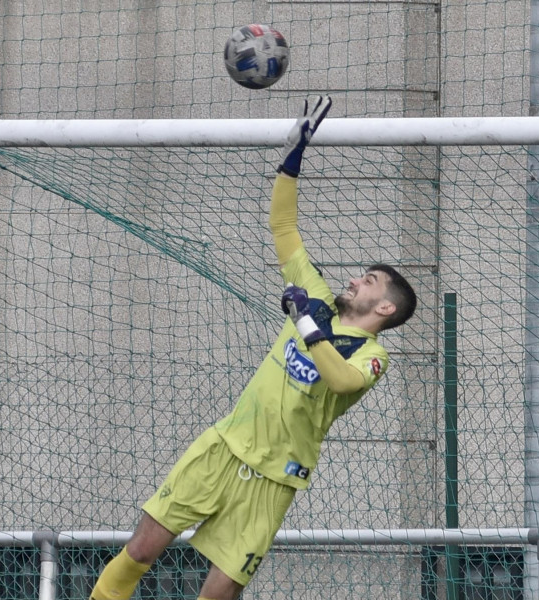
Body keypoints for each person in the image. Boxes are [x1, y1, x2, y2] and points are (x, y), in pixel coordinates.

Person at [88, 95, 418, 600]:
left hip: (275, 478)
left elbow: (342, 380)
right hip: (222, 447)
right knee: (139, 551)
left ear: (385, 309)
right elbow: (284, 227)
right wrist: (292, 162)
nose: (355, 279)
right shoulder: (318, 296)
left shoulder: (373, 355)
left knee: (217, 595)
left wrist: (305, 322)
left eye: (369, 280)